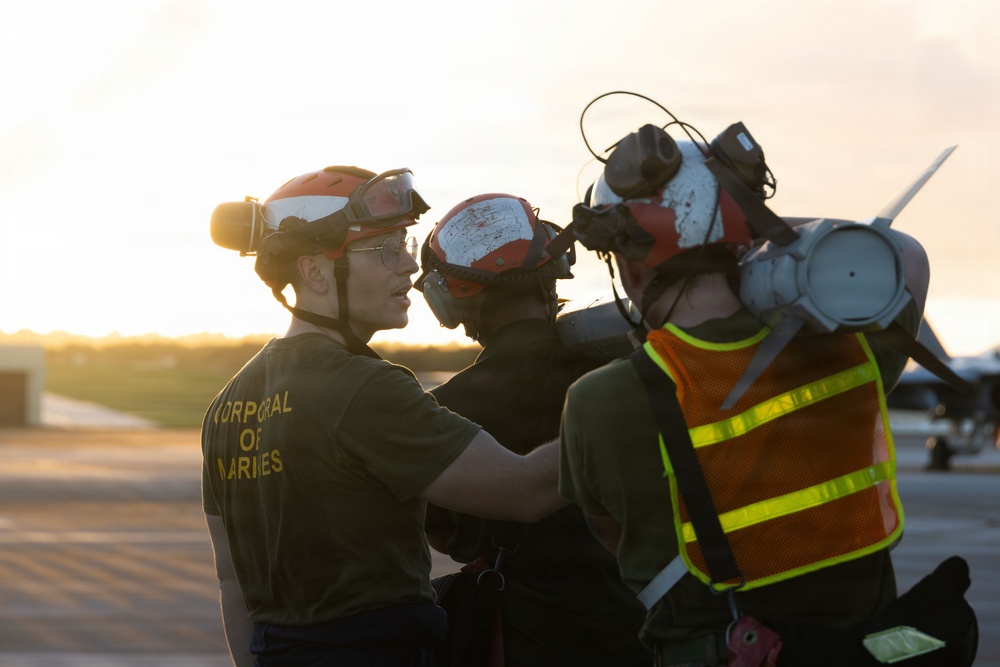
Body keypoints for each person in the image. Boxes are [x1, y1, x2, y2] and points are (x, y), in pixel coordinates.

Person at [558, 125, 976, 665]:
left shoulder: (601, 400)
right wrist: (751, 223)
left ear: (629, 263)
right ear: (743, 236)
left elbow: (608, 531)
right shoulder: (851, 350)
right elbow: (906, 255)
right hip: (860, 652)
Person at [202, 166, 568, 667]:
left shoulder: (227, 405)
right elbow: (525, 490)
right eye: (385, 250)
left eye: (406, 245)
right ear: (314, 271)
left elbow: (231, 580)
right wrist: (615, 405)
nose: (409, 269)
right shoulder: (366, 389)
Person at [416, 193, 651, 666]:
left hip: (525, 636)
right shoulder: (630, 374)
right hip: (643, 626)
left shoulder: (442, 409)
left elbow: (442, 531)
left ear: (452, 296)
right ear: (555, 267)